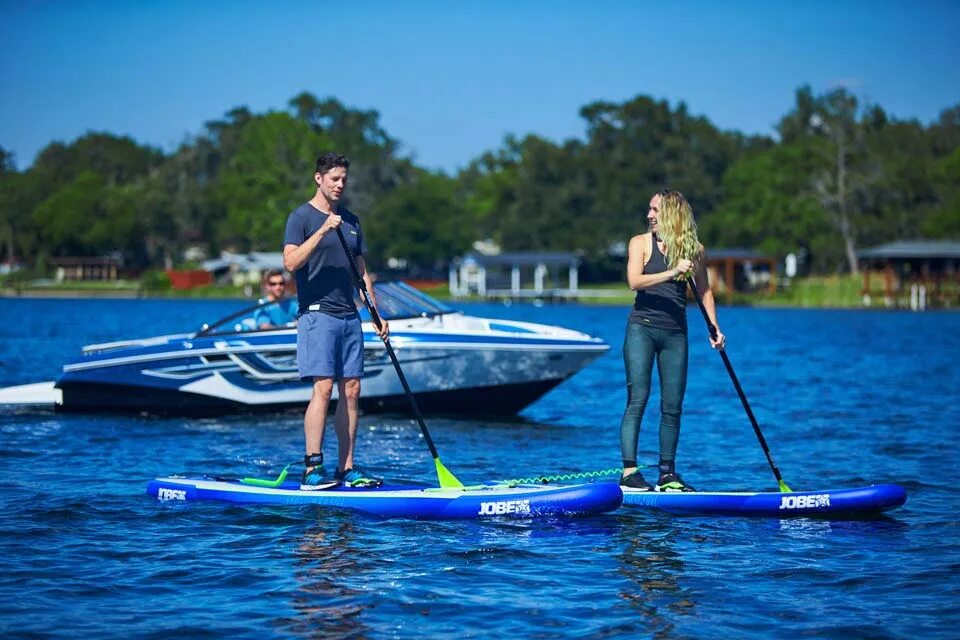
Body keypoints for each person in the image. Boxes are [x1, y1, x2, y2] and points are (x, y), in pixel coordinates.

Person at [282, 152, 389, 490]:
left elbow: (361, 272)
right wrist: (323, 230)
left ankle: (347, 469)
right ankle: (313, 468)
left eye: (344, 179)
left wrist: (375, 312)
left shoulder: (353, 221)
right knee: (323, 388)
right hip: (317, 315)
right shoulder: (300, 217)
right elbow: (290, 262)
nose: (340, 184)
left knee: (353, 390)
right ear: (319, 179)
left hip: (349, 316)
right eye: (334, 179)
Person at [618, 189, 725, 493]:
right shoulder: (640, 243)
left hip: (676, 334)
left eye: (655, 210)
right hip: (643, 329)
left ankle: (667, 475)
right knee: (638, 398)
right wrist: (672, 271)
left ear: (672, 214)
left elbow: (704, 291)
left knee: (673, 406)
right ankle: (629, 473)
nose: (649, 215)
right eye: (649, 210)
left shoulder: (694, 249)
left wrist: (714, 328)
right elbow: (634, 282)